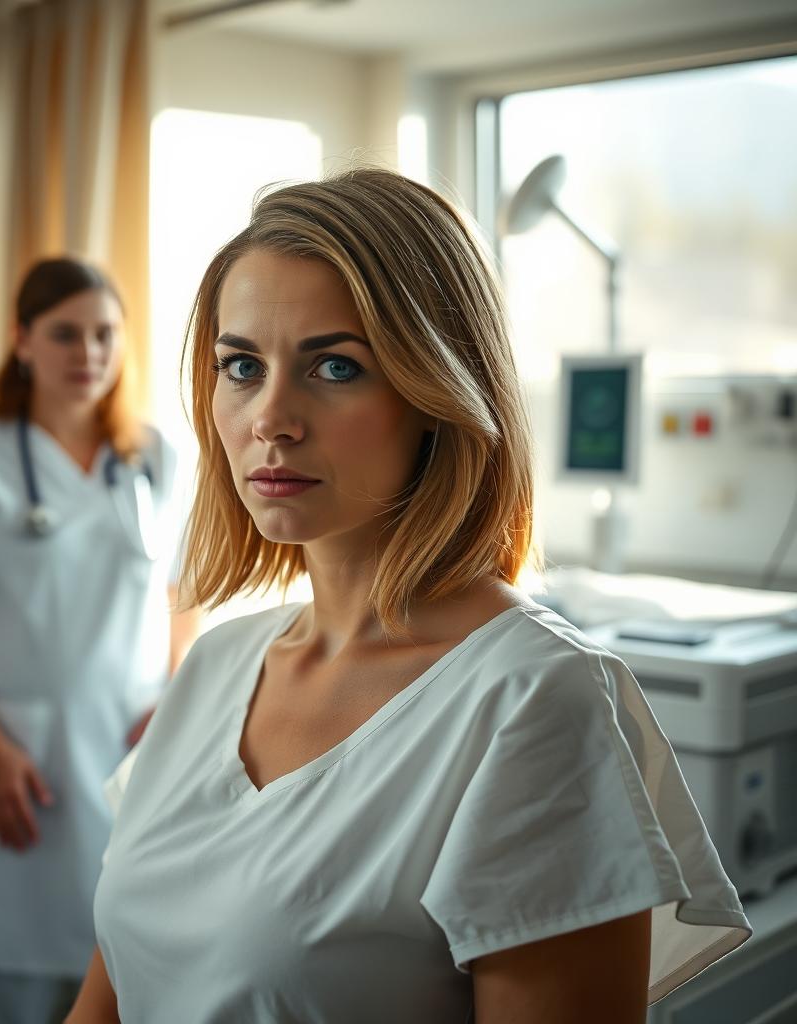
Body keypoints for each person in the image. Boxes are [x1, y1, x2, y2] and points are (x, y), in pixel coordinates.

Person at [68, 171, 751, 1023]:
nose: (270, 417)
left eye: (335, 366)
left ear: (438, 391)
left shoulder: (530, 699)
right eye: (241, 365)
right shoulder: (215, 667)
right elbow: (105, 1002)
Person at [0, 257, 196, 1024]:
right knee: (6, 983)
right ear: (21, 341)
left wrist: (177, 699)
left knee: (131, 971)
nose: (87, 353)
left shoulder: (153, 457)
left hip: (132, 752)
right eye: (65, 334)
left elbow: (186, 592)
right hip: (18, 764)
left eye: (104, 335)